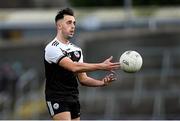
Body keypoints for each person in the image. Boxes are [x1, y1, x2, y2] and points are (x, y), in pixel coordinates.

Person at [44, 7, 120, 120]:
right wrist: (101, 66)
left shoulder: (76, 50)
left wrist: (102, 83)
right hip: (57, 97)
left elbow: (83, 79)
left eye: (74, 23)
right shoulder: (52, 48)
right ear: (59, 26)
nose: (73, 26)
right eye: (69, 22)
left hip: (73, 97)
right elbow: (73, 67)